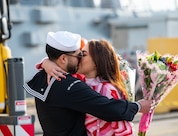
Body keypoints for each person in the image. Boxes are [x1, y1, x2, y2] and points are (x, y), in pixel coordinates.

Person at [24, 31, 153, 136]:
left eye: (82, 54)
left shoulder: (43, 76)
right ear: (63, 58)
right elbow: (107, 108)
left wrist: (47, 62)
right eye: (78, 55)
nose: (79, 59)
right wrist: (138, 106)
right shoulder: (69, 86)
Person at [42, 39, 136, 135]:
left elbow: (123, 128)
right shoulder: (81, 83)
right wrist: (46, 63)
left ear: (96, 61)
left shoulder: (107, 89)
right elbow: (60, 60)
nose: (78, 58)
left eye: (83, 55)